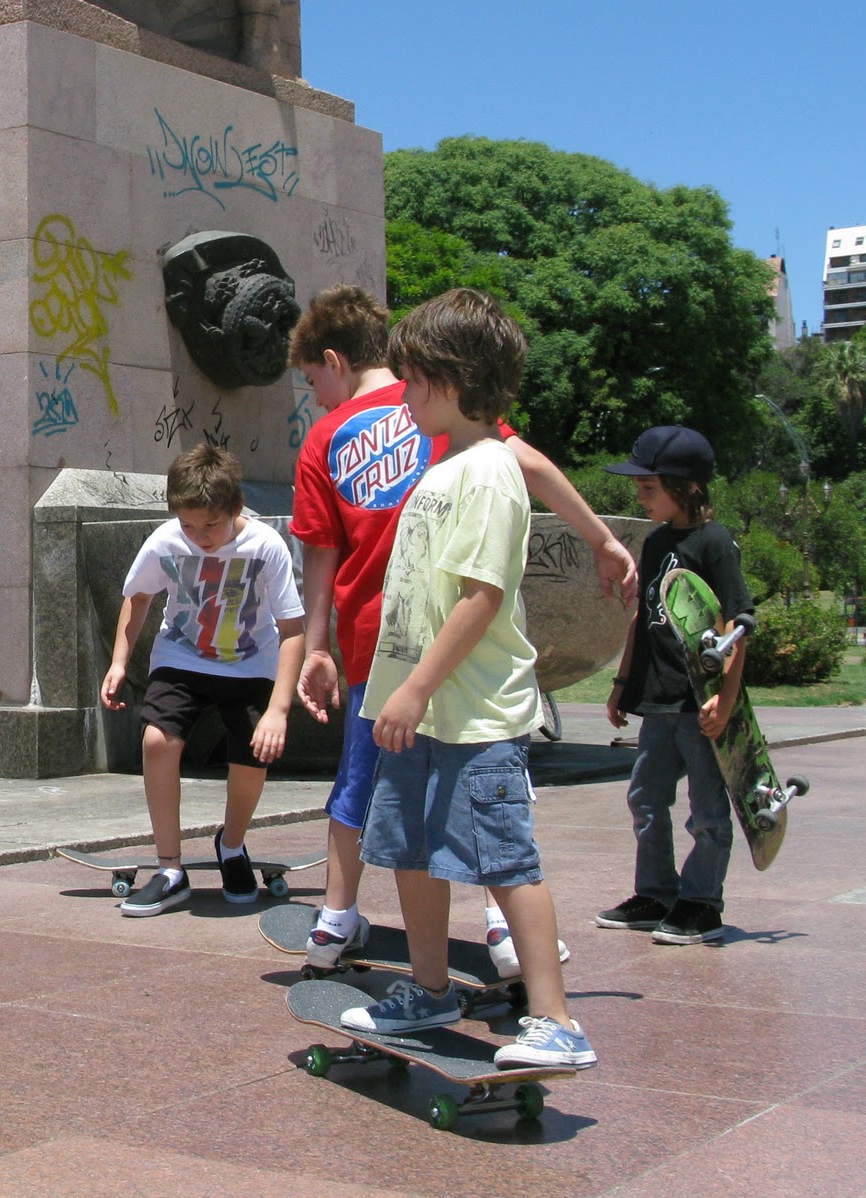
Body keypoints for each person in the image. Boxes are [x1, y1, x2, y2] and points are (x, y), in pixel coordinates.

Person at [288, 285, 637, 978]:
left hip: (386, 651)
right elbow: (530, 461)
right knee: (435, 810)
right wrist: (598, 536)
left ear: (333, 360)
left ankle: (337, 917)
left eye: (310, 381)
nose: (315, 398)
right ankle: (489, 939)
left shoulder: (369, 432)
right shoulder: (447, 420)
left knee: (376, 788)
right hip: (421, 657)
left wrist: (319, 644)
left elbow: (321, 553)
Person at [339, 288, 596, 1069]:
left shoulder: (487, 470)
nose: (403, 395)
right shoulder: (448, 465)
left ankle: (557, 1022)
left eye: (412, 380)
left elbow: (482, 597)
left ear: (451, 380)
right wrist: (401, 695)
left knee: (504, 861)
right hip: (418, 713)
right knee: (411, 851)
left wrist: (414, 688)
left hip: (475, 715)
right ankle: (429, 986)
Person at [100, 444, 306, 916]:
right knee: (157, 741)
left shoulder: (265, 545)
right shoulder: (166, 541)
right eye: (188, 525)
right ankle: (170, 868)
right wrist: (118, 662)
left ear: (235, 508)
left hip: (250, 661)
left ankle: (231, 845)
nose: (199, 537)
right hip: (184, 656)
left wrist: (277, 709)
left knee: (254, 754)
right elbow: (138, 598)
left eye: (210, 525)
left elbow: (292, 630)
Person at [597, 426, 753, 945]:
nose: (640, 497)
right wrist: (623, 682)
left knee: (707, 809)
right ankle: (656, 892)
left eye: (649, 488)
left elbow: (738, 623)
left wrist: (725, 699)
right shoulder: (656, 541)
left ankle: (702, 902)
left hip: (700, 700)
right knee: (646, 798)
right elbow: (642, 617)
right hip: (659, 699)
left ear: (684, 487)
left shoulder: (715, 543)